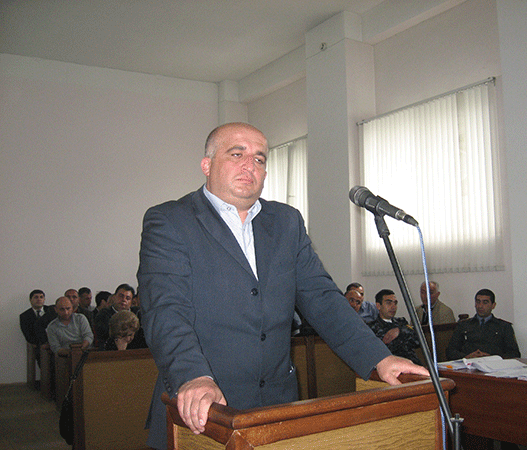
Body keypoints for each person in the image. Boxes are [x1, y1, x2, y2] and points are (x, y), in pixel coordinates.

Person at [137, 122, 429, 450]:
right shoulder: (171, 221)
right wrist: (192, 375)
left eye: (259, 159)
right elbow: (165, 310)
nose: (250, 165)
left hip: (277, 409)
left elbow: (323, 299)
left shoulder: (286, 222)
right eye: (237, 154)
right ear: (207, 164)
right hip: (205, 410)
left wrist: (379, 358)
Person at [446, 288, 520, 360]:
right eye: (478, 302)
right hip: (468, 364)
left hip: (494, 365)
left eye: (485, 302)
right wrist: (466, 357)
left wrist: (492, 358)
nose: (480, 306)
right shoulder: (463, 325)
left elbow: (514, 353)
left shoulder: (504, 326)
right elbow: (450, 352)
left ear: (493, 305)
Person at [368, 289, 422, 365]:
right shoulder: (372, 327)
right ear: (378, 306)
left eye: (395, 303)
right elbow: (386, 348)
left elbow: (418, 341)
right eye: (389, 303)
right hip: (393, 366)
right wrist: (404, 335)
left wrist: (400, 330)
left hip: (413, 363)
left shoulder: (401, 322)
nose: (393, 307)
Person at [94, 284, 141, 349]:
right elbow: (104, 335)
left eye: (128, 298)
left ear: (132, 301)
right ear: (114, 297)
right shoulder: (103, 314)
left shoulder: (138, 313)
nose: (124, 300)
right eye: (121, 296)